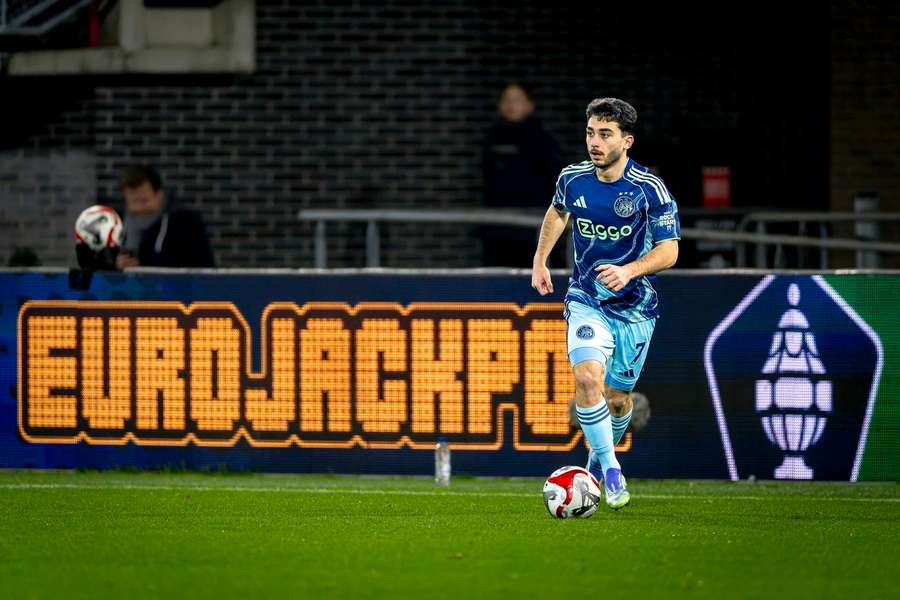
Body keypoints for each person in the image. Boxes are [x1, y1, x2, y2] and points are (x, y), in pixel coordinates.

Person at [531, 98, 680, 510]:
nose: (594, 142)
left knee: (616, 398)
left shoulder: (649, 189)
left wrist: (630, 270)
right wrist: (540, 260)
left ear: (626, 141)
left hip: (635, 309)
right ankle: (612, 470)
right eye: (590, 133)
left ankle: (595, 466)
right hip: (587, 300)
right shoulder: (573, 179)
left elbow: (669, 251)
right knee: (587, 380)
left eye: (605, 134)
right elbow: (558, 213)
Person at [481, 83, 565, 267]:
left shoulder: (542, 139)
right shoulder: (491, 139)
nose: (511, 105)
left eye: (517, 100)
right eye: (507, 100)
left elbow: (556, 179)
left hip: (533, 227)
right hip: (498, 228)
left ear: (529, 105)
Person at [115, 164, 215, 269]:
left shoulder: (185, 224)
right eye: (133, 202)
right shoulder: (117, 225)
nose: (139, 208)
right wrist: (116, 267)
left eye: (144, 201)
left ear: (159, 195)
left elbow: (203, 266)